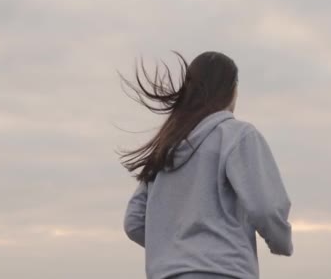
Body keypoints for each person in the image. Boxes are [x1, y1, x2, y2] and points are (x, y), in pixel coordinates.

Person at [120, 50, 293, 279]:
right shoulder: (237, 135)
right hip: (222, 271)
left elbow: (134, 221)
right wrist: (281, 242)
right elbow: (266, 207)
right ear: (231, 90)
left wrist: (173, 249)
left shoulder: (167, 147)